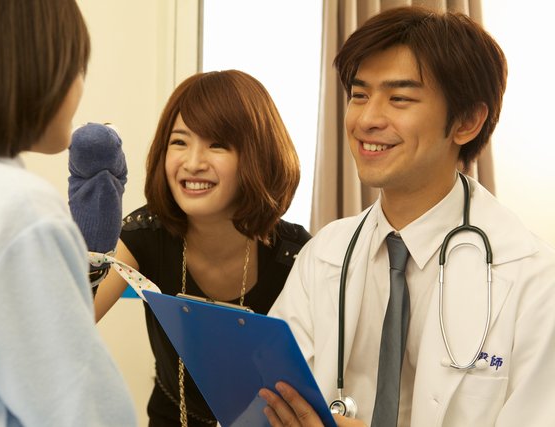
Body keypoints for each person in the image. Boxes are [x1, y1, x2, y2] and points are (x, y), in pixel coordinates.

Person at [260, 5, 555, 427]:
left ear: (468, 121)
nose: (367, 119)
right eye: (359, 95)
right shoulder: (324, 255)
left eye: (399, 98)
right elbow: (269, 400)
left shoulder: (534, 280)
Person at [0, 1, 136, 425]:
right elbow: (87, 414)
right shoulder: (18, 211)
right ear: (31, 71)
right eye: (76, 67)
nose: (79, 86)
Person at [94, 69, 312, 426]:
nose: (193, 163)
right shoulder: (146, 232)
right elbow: (70, 319)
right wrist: (90, 238)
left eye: (217, 144)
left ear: (257, 155)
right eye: (180, 142)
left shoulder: (298, 256)